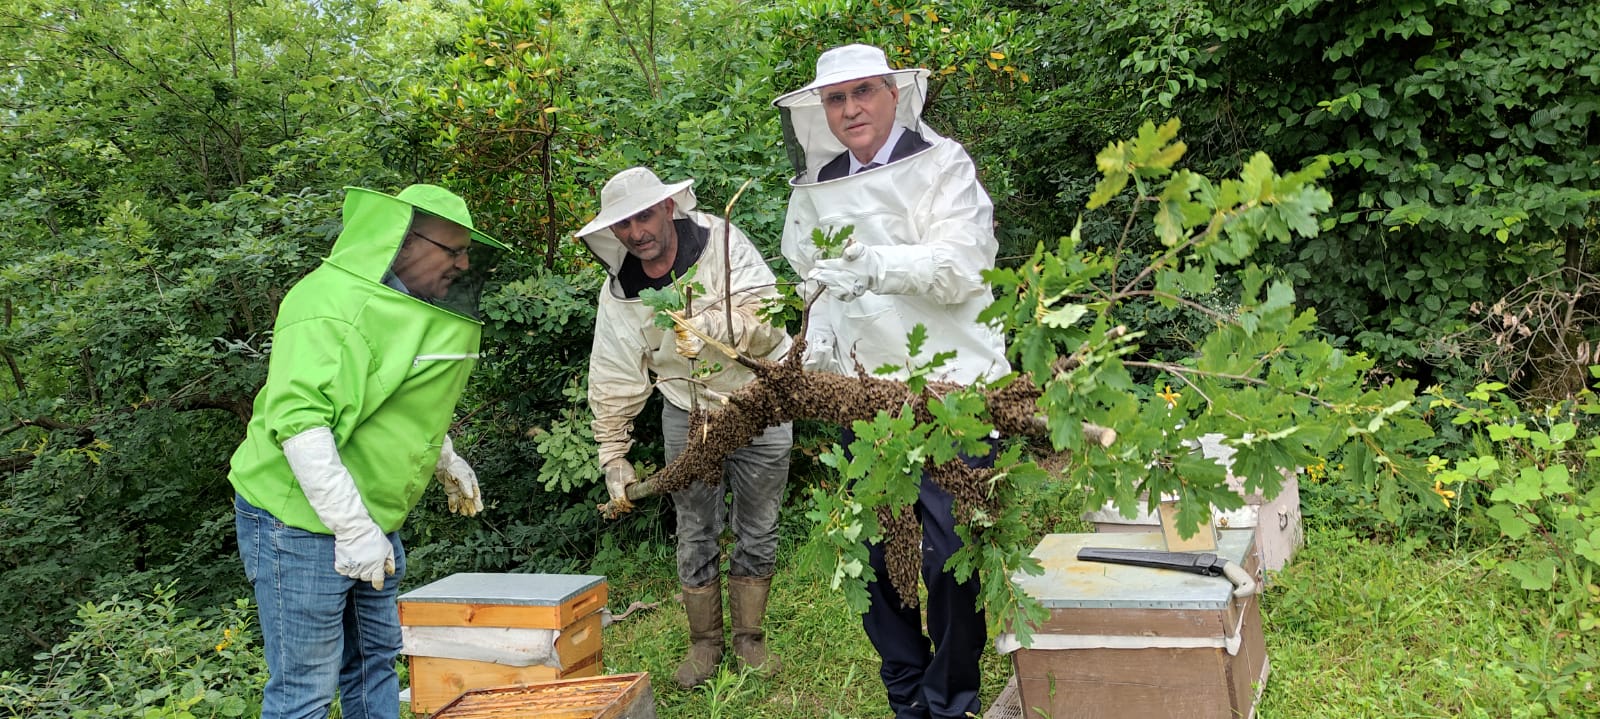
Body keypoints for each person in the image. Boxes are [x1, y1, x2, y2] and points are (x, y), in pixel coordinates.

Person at [774, 44, 1010, 719]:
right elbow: (815, 293)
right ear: (821, 111)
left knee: (950, 559)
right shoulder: (816, 190)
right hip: (867, 401)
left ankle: (951, 698)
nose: (850, 109)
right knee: (880, 565)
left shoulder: (944, 166)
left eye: (863, 93)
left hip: (953, 393)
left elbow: (962, 267)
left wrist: (876, 264)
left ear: (894, 95)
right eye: (835, 99)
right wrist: (809, 360)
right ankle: (908, 696)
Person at [228, 184, 505, 719]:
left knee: (374, 664)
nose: (464, 263)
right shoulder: (330, 307)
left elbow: (390, 402)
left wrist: (443, 456)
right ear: (402, 243)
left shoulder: (408, 306)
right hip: (298, 524)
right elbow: (302, 426)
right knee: (304, 689)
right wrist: (352, 529)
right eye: (454, 250)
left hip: (372, 519)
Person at [578, 167, 794, 688]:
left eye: (645, 216)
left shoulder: (722, 243)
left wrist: (715, 326)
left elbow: (772, 316)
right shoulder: (621, 291)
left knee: (758, 526)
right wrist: (613, 454)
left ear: (669, 209)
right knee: (695, 530)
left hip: (757, 398)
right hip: (685, 409)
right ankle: (705, 646)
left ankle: (750, 640)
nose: (636, 232)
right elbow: (613, 373)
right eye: (624, 224)